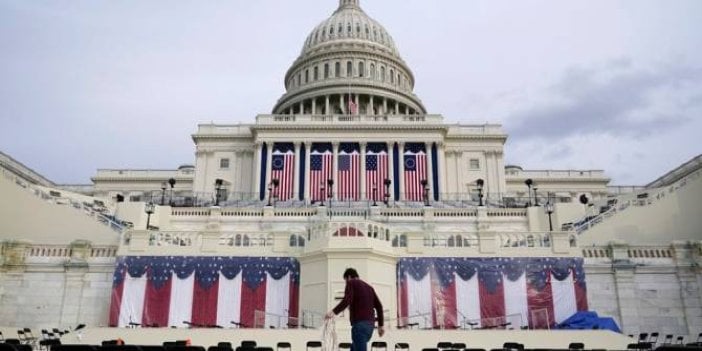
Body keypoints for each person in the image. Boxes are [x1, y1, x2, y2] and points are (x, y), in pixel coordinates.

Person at [325, 268, 384, 351]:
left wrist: (333, 312)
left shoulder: (351, 283)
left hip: (359, 326)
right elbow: (379, 306)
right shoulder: (370, 288)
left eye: (345, 280)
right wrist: (381, 326)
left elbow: (347, 300)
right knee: (354, 348)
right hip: (370, 327)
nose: (346, 283)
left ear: (348, 277)